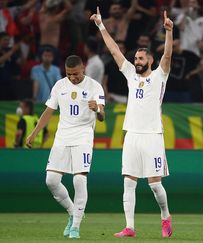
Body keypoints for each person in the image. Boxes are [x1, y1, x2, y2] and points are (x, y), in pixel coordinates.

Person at [90, 7, 174, 238]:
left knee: (155, 185)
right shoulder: (130, 75)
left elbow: (167, 56)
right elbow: (114, 50)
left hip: (153, 135)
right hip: (132, 135)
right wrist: (100, 25)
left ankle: (165, 217)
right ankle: (130, 227)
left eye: (140, 58)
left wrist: (169, 32)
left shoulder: (159, 75)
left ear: (150, 60)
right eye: (135, 58)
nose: (136, 61)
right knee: (129, 182)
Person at [25, 55, 106, 239]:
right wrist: (34, 133)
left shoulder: (95, 86)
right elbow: (48, 111)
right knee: (51, 181)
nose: (72, 78)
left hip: (83, 135)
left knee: (79, 180)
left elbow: (102, 116)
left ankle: (76, 226)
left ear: (83, 68)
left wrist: (97, 110)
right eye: (69, 74)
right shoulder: (60, 85)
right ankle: (72, 212)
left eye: (76, 74)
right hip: (62, 136)